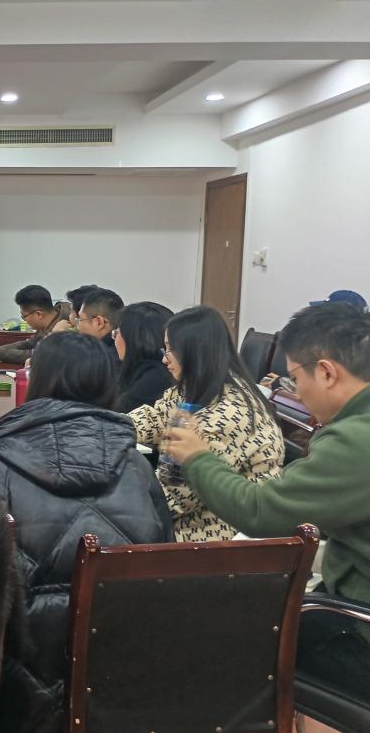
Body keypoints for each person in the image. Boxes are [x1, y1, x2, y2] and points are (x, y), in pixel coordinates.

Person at [0, 332, 173, 733]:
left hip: (17, 688)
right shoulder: (138, 467)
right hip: (121, 679)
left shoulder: (1, 466)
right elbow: (163, 563)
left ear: (40, 380)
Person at [165, 303, 370, 703]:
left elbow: (259, 512)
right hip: (343, 595)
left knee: (219, 632)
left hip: (356, 628)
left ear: (327, 372)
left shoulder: (355, 441)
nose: (296, 391)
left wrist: (198, 458)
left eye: (295, 378)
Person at [129, 305, 284, 542]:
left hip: (213, 539)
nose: (164, 359)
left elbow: (173, 499)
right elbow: (155, 418)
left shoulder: (229, 415)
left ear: (194, 352)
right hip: (184, 522)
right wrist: (109, 428)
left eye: (170, 349)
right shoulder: (197, 387)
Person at [0, 285, 72, 365]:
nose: (24, 320)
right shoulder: (49, 320)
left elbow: (38, 355)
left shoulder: (66, 326)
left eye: (24, 316)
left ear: (39, 314)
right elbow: (30, 344)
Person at [113, 301, 174, 413]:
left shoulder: (154, 379)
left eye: (117, 333)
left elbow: (116, 417)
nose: (114, 339)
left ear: (133, 339)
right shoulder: (157, 371)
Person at [76, 287, 124, 360]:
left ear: (99, 322)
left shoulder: (96, 361)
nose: (77, 327)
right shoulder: (125, 351)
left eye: (80, 319)